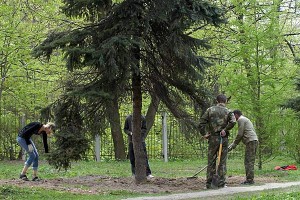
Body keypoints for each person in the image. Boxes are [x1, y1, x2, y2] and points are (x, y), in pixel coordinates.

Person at [199, 94, 236, 189]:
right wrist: (225, 129)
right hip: (223, 139)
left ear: (217, 101)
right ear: (225, 101)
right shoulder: (228, 111)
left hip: (213, 138)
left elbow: (201, 123)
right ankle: (221, 183)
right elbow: (233, 122)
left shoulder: (210, 110)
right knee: (222, 161)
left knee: (211, 161)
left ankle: (209, 184)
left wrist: (204, 134)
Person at [228, 109, 258, 185]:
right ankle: (250, 179)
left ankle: (250, 180)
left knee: (248, 161)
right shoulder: (244, 119)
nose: (233, 118)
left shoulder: (241, 120)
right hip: (253, 140)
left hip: (251, 141)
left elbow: (240, 134)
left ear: (236, 115)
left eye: (233, 116)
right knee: (249, 161)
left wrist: (234, 144)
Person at [123, 114, 153, 178]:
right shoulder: (128, 118)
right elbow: (125, 129)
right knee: (132, 158)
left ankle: (148, 173)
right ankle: (134, 173)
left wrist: (138, 133)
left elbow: (144, 129)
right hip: (131, 141)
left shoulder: (142, 118)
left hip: (140, 141)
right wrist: (130, 133)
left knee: (144, 157)